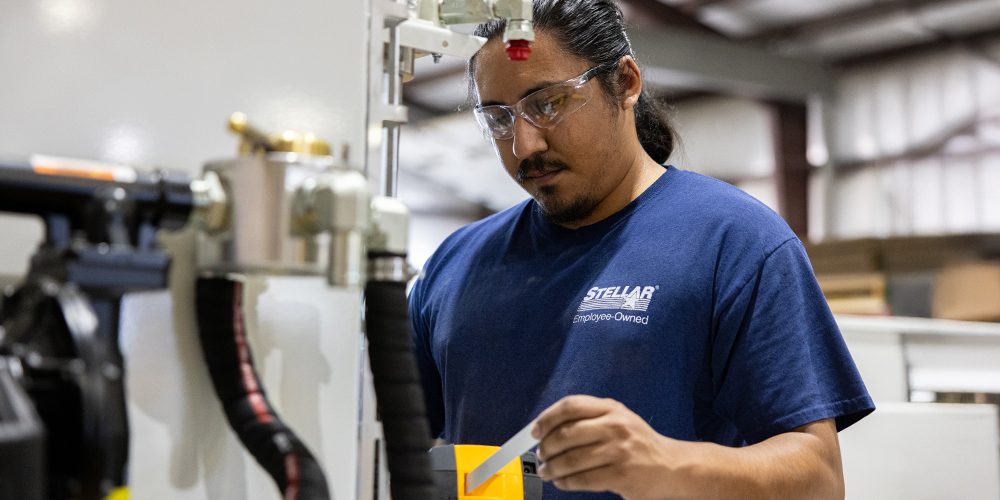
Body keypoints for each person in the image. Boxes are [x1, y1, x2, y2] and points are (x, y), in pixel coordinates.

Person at [408, 1, 874, 498]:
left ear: (625, 83)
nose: (525, 145)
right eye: (499, 119)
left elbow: (819, 478)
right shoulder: (455, 266)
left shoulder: (735, 242)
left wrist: (668, 464)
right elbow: (392, 442)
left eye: (547, 104)